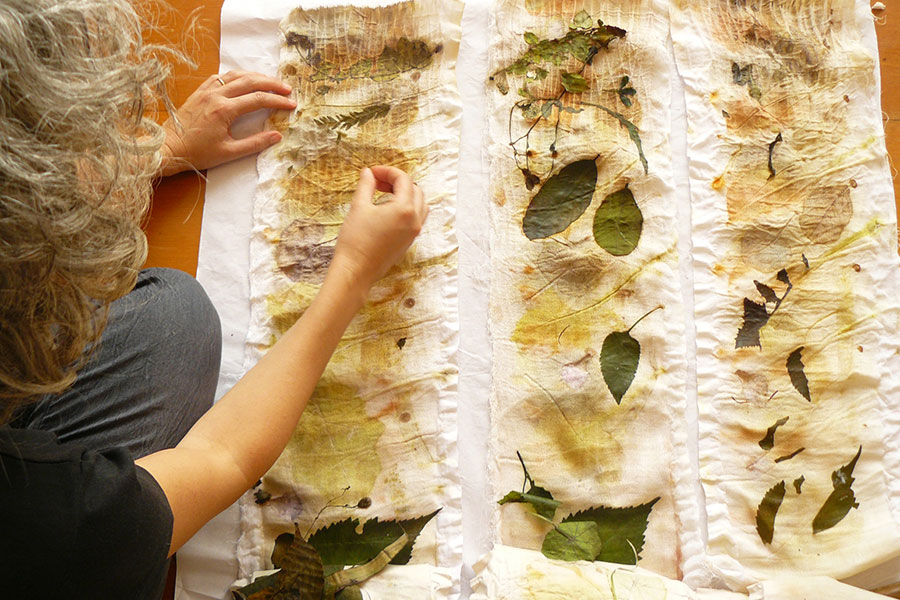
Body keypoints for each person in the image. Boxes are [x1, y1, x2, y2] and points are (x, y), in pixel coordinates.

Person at [0, 1, 428, 598]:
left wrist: (159, 151)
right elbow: (222, 456)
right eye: (93, 157)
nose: (119, 157)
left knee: (171, 315)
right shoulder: (47, 525)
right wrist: (353, 272)